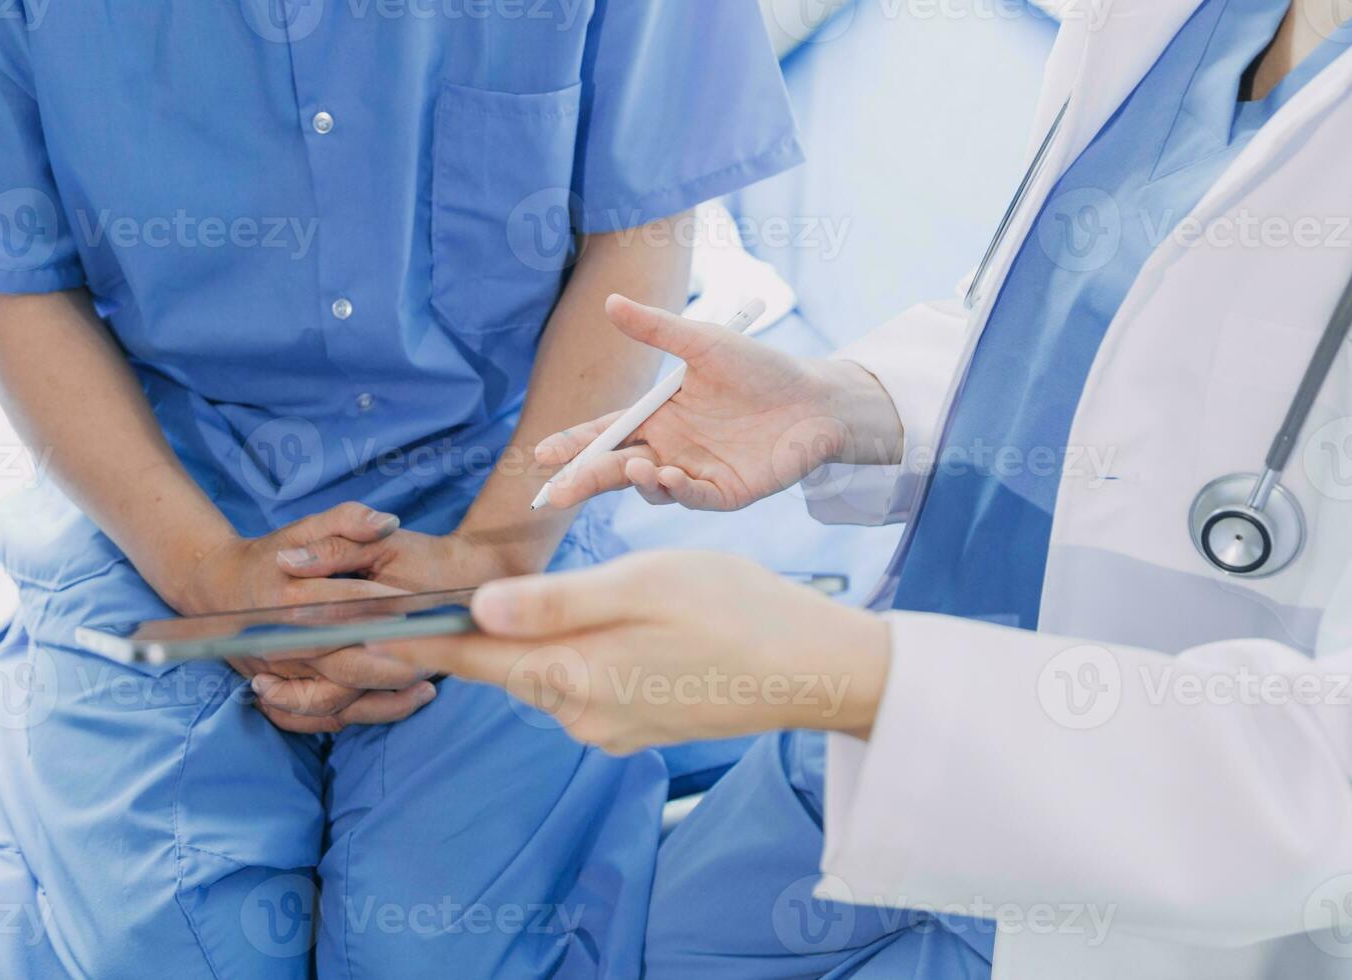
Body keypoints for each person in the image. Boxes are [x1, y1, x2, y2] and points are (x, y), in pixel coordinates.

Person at [380, 1, 1352, 976]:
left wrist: (847, 671)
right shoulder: (1167, 20)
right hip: (848, 758)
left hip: (1123, 877)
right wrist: (842, 401)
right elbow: (1071, 332)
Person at [0, 1, 804, 976]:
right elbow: (14, 277)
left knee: (447, 951)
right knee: (154, 947)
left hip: (507, 472)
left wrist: (497, 552)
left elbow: (642, 232)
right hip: (158, 484)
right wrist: (203, 571)